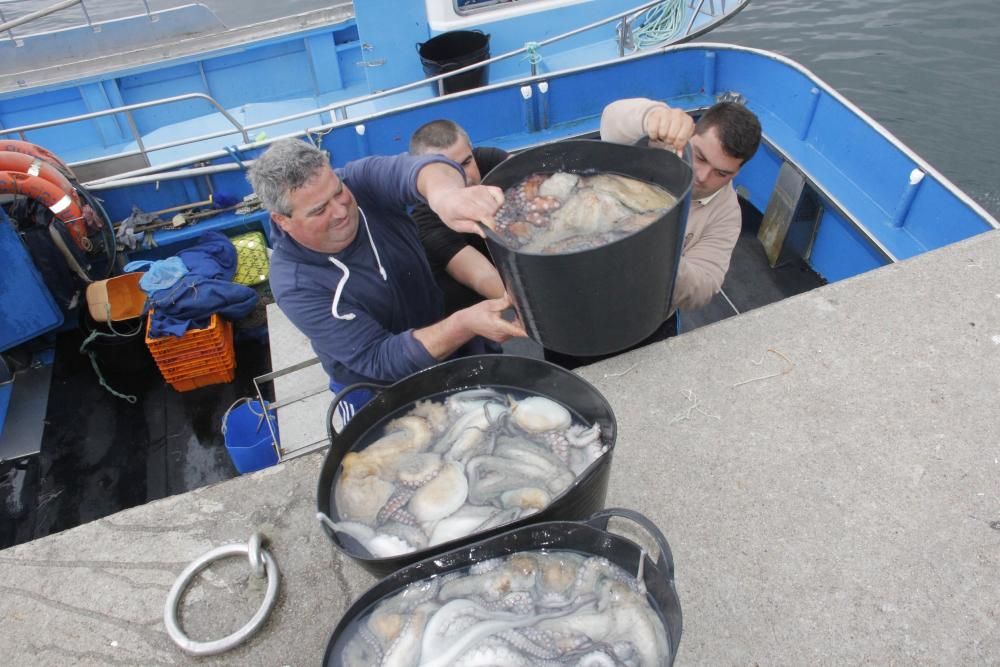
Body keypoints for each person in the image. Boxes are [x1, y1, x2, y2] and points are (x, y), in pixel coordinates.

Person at [247, 138, 525, 422]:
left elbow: (421, 169)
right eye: (319, 210)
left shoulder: (358, 180)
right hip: (376, 384)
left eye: (338, 192)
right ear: (283, 221)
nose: (341, 210)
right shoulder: (295, 283)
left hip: (438, 330)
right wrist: (464, 323)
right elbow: (379, 358)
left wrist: (446, 196)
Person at [544, 97, 762, 370]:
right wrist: (653, 116)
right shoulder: (662, 142)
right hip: (578, 303)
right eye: (701, 156)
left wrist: (654, 249)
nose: (703, 176)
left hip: (647, 319)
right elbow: (611, 121)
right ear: (691, 133)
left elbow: (704, 286)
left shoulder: (727, 214)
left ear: (737, 172)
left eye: (721, 173)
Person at [408, 120, 508, 314]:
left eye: (466, 162)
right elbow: (483, 278)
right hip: (458, 304)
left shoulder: (489, 160)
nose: (466, 177)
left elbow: (538, 185)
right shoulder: (426, 222)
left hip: (505, 265)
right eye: (449, 171)